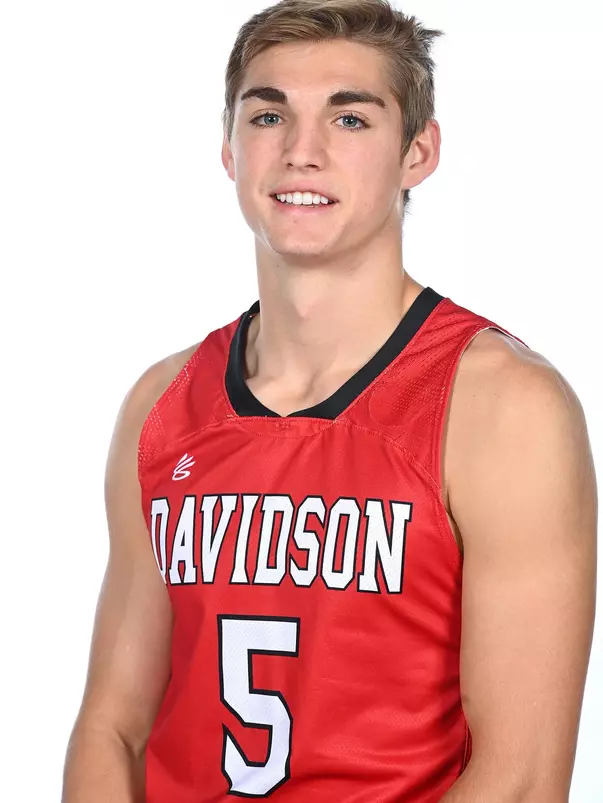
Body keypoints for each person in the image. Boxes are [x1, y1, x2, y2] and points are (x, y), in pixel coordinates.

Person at [62, 1, 597, 801]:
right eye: (269, 113)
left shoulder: (502, 409)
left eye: (349, 118)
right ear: (229, 148)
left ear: (417, 152)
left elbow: (518, 777)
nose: (300, 152)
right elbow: (113, 725)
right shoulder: (161, 403)